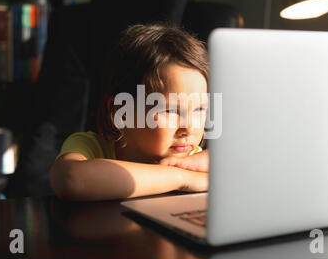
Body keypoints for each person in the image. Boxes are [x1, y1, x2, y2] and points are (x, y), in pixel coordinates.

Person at [49, 24, 210, 201]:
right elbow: (71, 180)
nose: (189, 127)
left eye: (199, 109)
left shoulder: (192, 157)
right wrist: (182, 178)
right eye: (170, 110)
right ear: (122, 112)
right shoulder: (91, 147)